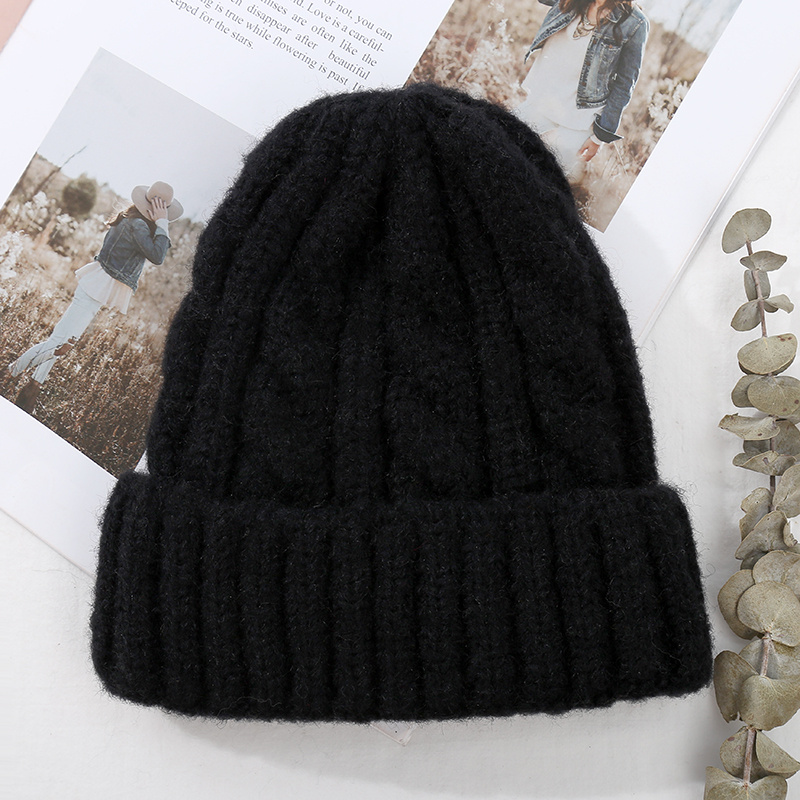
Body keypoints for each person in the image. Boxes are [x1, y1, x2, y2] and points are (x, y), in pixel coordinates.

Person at [8, 181, 183, 413]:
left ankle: (32, 387)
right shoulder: (138, 225)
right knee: (61, 344)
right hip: (96, 288)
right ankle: (10, 372)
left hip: (96, 286)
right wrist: (161, 223)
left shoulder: (132, 219)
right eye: (164, 211)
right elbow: (158, 256)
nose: (165, 216)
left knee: (61, 340)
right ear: (155, 209)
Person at [514, 0, 649, 182]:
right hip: (543, 101)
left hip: (581, 119)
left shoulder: (635, 23)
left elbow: (625, 83)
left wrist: (600, 136)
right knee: (502, 147)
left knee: (545, 180)